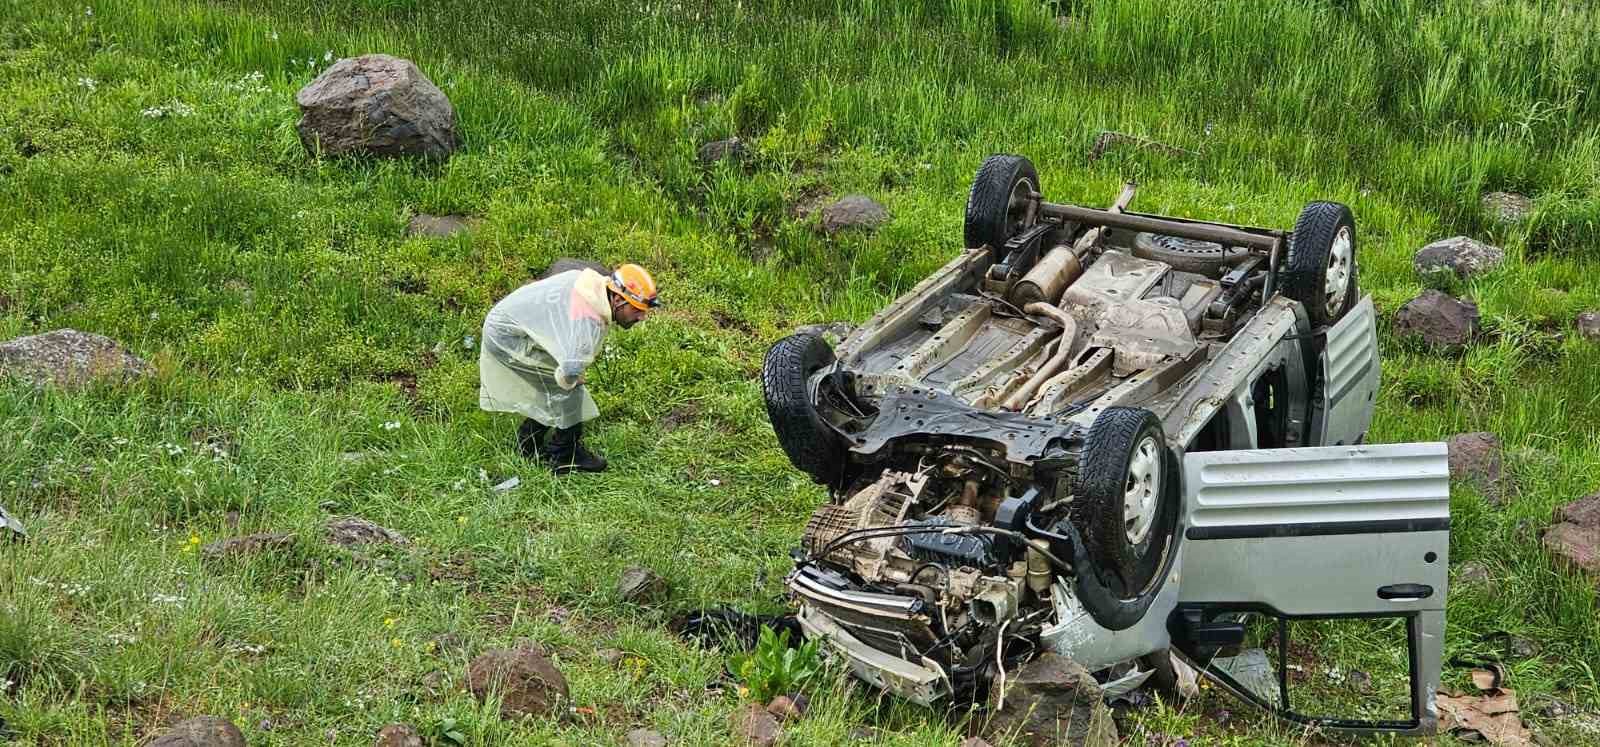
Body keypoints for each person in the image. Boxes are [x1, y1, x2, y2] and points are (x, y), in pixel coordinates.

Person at [478, 262, 658, 474]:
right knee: (567, 392)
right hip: (507, 338)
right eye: (637, 310)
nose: (642, 317)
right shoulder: (590, 323)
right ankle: (565, 455)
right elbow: (570, 370)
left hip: (511, 323)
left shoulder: (589, 284)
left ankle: (528, 445)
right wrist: (571, 378)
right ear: (618, 299)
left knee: (549, 385)